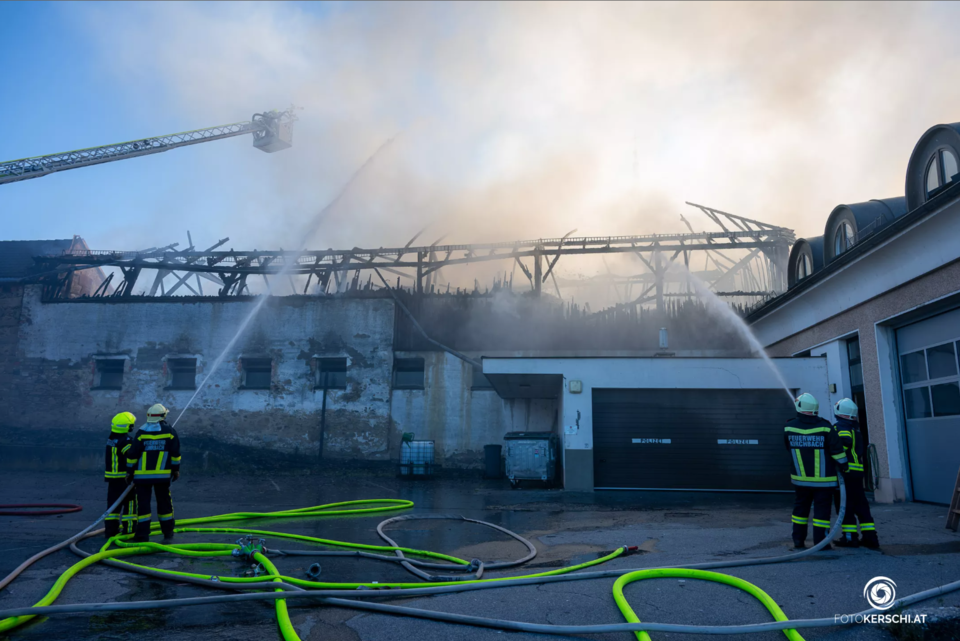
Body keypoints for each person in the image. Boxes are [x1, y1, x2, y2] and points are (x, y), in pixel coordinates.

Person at [784, 393, 848, 549]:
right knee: (822, 512)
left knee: (800, 510)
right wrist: (844, 466)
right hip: (824, 481)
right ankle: (821, 543)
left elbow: (788, 448)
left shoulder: (789, 427)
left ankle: (798, 541)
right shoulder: (826, 427)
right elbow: (837, 451)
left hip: (800, 480)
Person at [125, 403, 181, 543]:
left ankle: (142, 535)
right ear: (163, 415)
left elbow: (132, 455)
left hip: (142, 477)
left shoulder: (141, 432)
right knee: (164, 503)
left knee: (143, 505)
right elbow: (175, 454)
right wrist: (176, 470)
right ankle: (168, 532)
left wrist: (129, 472)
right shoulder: (170, 431)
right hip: (162, 477)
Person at [832, 398, 880, 550]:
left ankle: (850, 537)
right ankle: (870, 537)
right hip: (857, 473)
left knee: (845, 506)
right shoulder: (855, 428)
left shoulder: (841, 427)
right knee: (861, 505)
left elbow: (843, 444)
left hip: (846, 473)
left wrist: (837, 461)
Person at [104, 411, 138, 539]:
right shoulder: (126, 441)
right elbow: (130, 455)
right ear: (129, 427)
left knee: (113, 504)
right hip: (124, 478)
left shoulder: (111, 438)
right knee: (130, 503)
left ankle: (110, 530)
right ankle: (129, 530)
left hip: (112, 478)